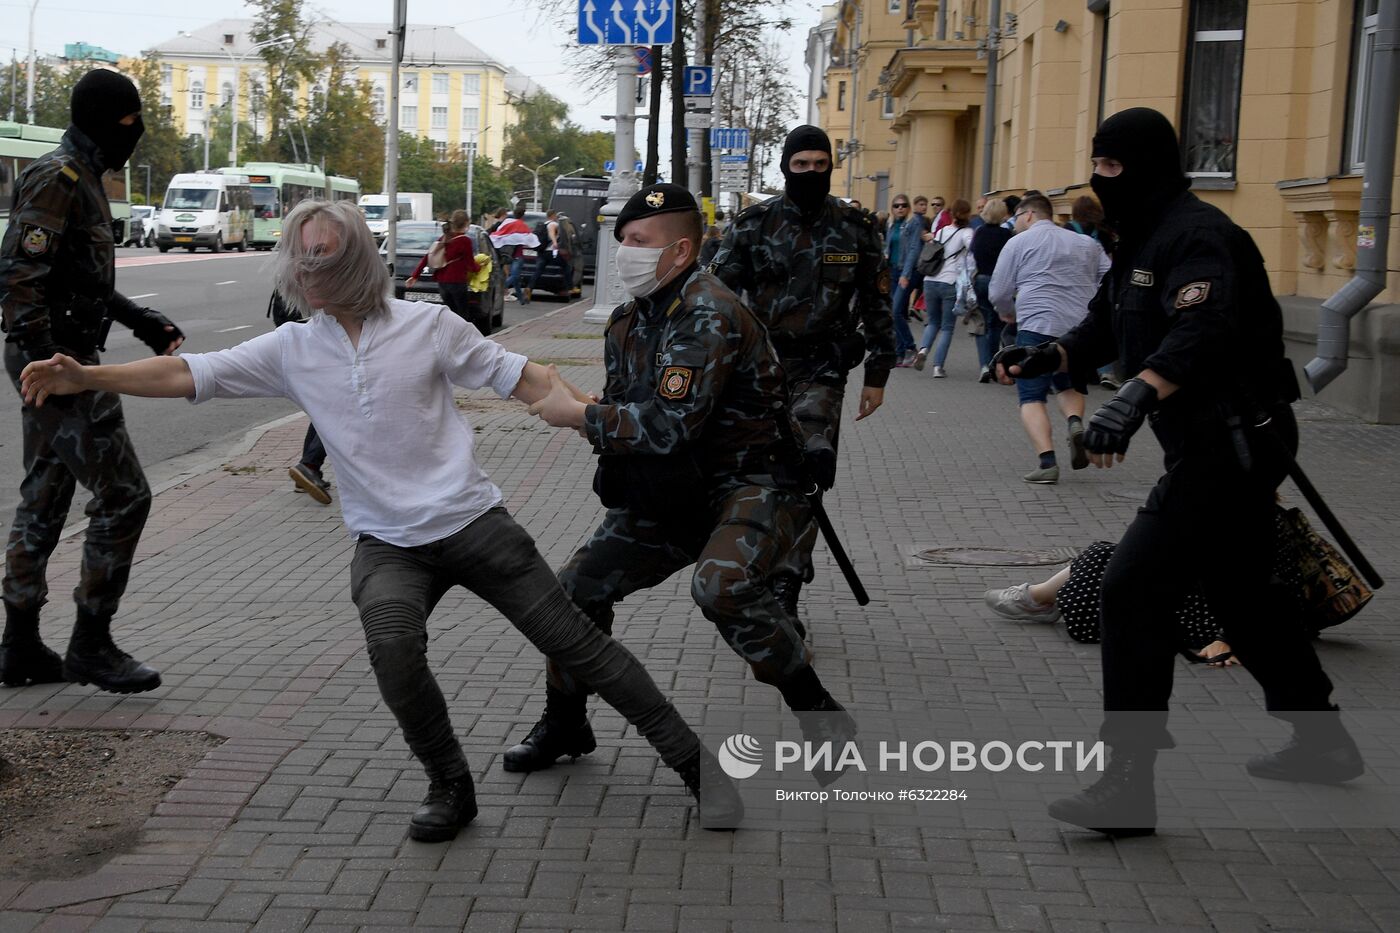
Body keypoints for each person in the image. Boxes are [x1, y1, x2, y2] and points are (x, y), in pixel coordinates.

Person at [21, 198, 744, 837]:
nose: (308, 276)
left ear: (355, 264)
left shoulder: (429, 326)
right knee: (394, 648)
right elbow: (190, 373)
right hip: (388, 543)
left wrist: (591, 419)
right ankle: (450, 785)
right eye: (300, 264)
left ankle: (696, 767)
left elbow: (521, 377)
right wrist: (87, 374)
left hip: (474, 523)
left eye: (322, 263)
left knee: (578, 644)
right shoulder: (294, 349)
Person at [993, 108, 1362, 837]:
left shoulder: (1201, 235)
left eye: (1111, 167)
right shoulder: (1142, 238)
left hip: (1232, 441)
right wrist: (1051, 356)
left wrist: (1132, 398)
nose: (1100, 179)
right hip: (1209, 441)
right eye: (1096, 164)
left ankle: (1127, 783)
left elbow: (1204, 330)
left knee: (1132, 591)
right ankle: (1324, 740)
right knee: (1245, 598)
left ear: (1148, 167)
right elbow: (1105, 322)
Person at [506, 183, 856, 778]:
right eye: (622, 242)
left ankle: (821, 716)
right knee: (572, 594)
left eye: (639, 242)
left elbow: (669, 424)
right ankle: (565, 721)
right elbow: (635, 414)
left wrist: (581, 416)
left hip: (752, 485)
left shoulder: (707, 312)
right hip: (674, 489)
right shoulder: (628, 320)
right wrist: (587, 403)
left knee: (720, 586)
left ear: (680, 251)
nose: (625, 252)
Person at [0, 69, 184, 694]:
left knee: (45, 496)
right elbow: (19, 273)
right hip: (62, 361)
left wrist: (140, 319)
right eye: (130, 123)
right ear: (105, 121)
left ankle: (19, 644)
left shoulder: (84, 178)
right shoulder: (60, 177)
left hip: (64, 357)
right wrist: (46, 360)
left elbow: (81, 278)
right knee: (125, 495)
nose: (135, 134)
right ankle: (91, 643)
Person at [712, 125, 896, 629]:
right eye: (801, 165)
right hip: (759, 371)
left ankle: (786, 583)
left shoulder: (856, 228)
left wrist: (876, 371)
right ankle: (756, 564)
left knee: (808, 471)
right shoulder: (754, 225)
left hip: (823, 369)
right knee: (755, 475)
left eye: (820, 164)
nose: (811, 173)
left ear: (830, 166)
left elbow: (879, 304)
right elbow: (714, 299)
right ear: (785, 168)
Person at [988, 193, 1110, 484]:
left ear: (1029, 215)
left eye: (1016, 217)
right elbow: (1109, 276)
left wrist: (1008, 313)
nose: (1014, 223)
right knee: (1068, 382)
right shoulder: (1087, 243)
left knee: (1031, 395)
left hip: (1037, 323)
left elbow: (999, 290)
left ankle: (1047, 462)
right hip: (1078, 327)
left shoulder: (1018, 242)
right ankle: (1075, 423)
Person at [985, 542, 1238, 666]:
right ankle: (1039, 597)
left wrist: (1227, 638)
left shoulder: (1257, 524)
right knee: (1108, 555)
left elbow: (1262, 588)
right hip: (1185, 596)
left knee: (1103, 566)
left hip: (1200, 614)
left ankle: (1039, 599)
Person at [268, 290, 333, 504]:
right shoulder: (321, 275)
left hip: (301, 347)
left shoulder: (295, 273)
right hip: (316, 348)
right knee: (338, 410)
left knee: (325, 410)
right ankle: (310, 465)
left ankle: (308, 470)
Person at [911, 198, 975, 378]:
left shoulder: (941, 231)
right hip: (950, 283)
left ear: (951, 213)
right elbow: (973, 249)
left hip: (930, 281)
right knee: (947, 327)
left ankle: (923, 350)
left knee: (932, 322)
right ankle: (938, 367)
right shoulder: (967, 233)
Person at [405, 210, 484, 331]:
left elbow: (428, 256)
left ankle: (448, 336)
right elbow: (470, 265)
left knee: (450, 314)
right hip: (457, 282)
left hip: (442, 283)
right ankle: (460, 341)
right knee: (462, 315)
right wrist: (480, 267)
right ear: (467, 223)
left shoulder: (445, 238)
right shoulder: (465, 241)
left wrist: (415, 276)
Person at [970, 198, 1013, 382]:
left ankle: (984, 365)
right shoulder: (1007, 235)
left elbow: (973, 255)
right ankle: (996, 363)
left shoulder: (979, 232)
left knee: (982, 323)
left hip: (980, 279)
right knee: (997, 324)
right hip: (999, 281)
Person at [884, 194, 917, 366]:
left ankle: (910, 347)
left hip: (904, 272)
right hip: (891, 272)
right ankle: (899, 351)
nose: (900, 208)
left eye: (903, 205)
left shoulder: (912, 224)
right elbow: (887, 247)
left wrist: (906, 274)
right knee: (892, 313)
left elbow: (913, 249)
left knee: (896, 311)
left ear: (908, 208)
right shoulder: (890, 225)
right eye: (896, 206)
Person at [488, 206, 539, 304]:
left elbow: (499, 233)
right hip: (518, 255)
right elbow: (530, 239)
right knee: (515, 276)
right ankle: (501, 288)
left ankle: (521, 299)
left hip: (509, 255)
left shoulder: (508, 223)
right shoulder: (522, 225)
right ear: (523, 215)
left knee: (516, 278)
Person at [528, 209, 570, 302]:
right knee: (566, 267)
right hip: (550, 251)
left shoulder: (544, 223)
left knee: (538, 271)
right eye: (555, 215)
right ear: (553, 215)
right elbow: (551, 233)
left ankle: (529, 288)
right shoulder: (553, 224)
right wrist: (555, 243)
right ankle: (569, 288)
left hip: (542, 252)